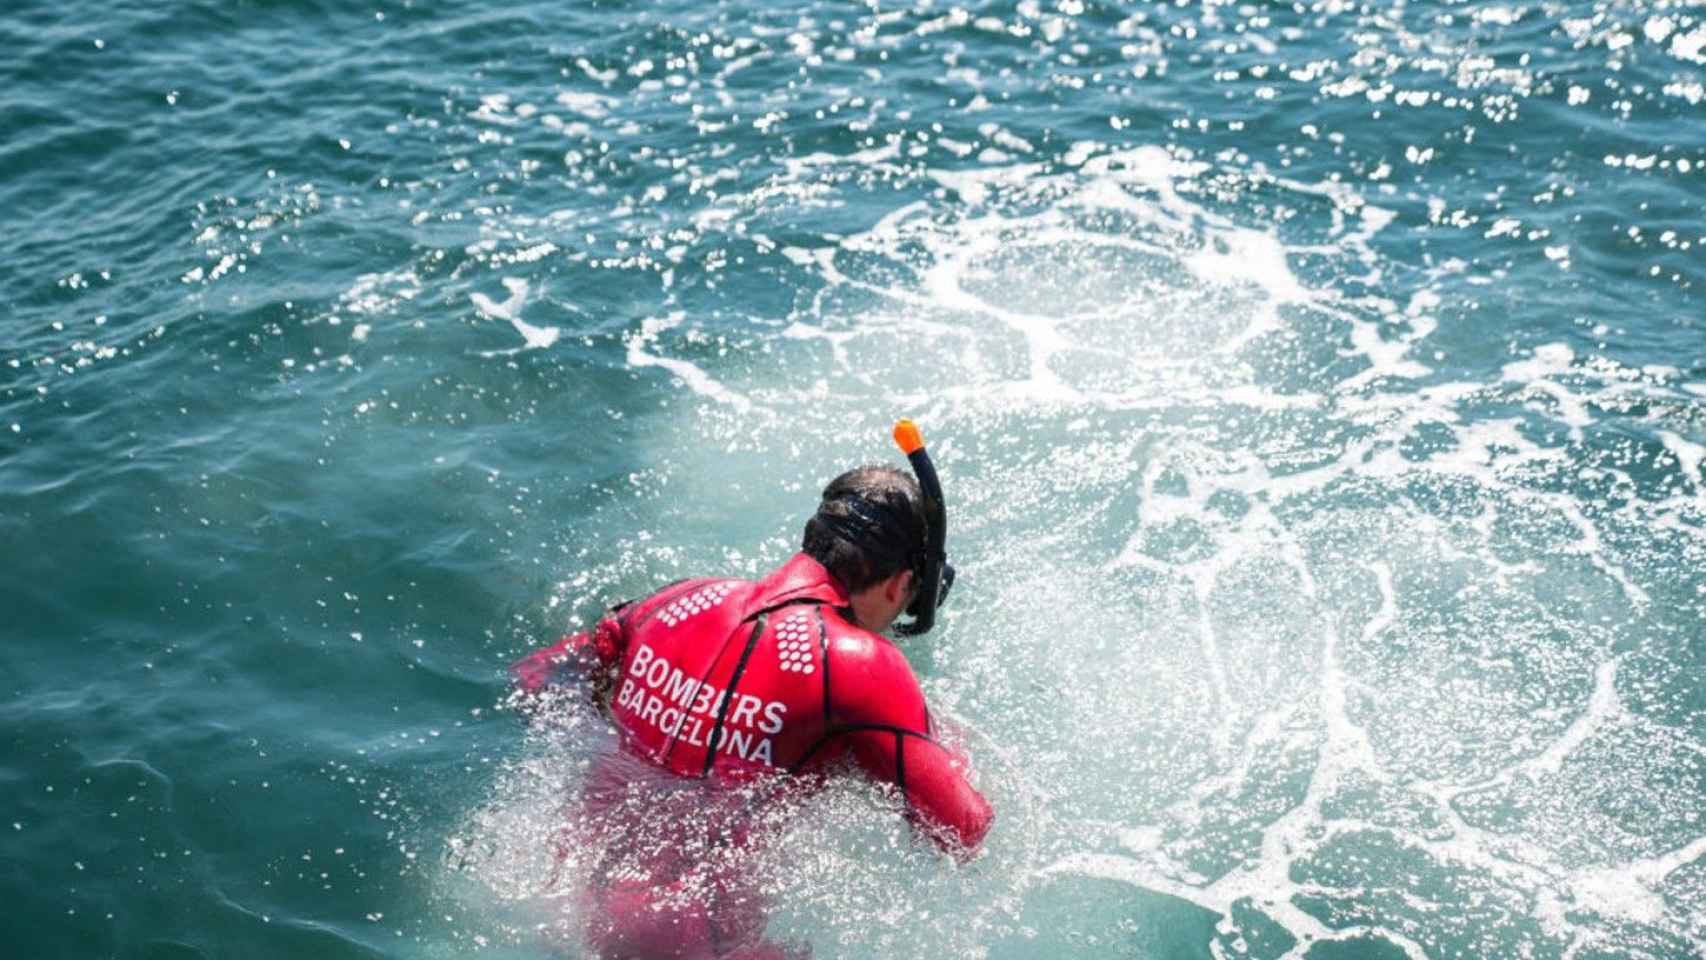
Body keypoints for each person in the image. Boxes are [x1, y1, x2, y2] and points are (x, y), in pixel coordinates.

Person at [511, 420, 994, 959]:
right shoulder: (860, 665)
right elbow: (963, 829)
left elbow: (537, 678)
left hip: (563, 892)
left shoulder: (677, 600)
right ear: (900, 583)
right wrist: (939, 737)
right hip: (694, 939)